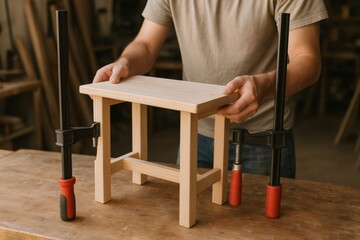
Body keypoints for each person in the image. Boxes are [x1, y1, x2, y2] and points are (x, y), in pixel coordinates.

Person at [93, 0, 328, 178]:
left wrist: (264, 85)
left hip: (260, 138)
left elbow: (307, 60)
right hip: (196, 131)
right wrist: (125, 62)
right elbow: (145, 44)